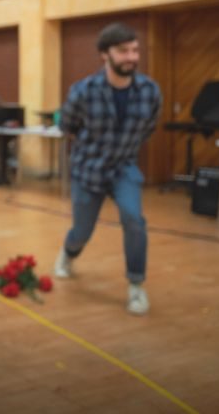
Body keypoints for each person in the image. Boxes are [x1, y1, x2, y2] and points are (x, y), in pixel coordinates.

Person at [54, 22, 162, 316]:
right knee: (81, 232)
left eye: (135, 50)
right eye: (123, 51)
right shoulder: (83, 91)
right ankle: (68, 253)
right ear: (105, 54)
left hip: (124, 168)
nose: (131, 57)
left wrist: (123, 150)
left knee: (134, 219)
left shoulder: (150, 91)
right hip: (88, 170)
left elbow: (148, 128)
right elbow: (67, 126)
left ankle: (136, 286)